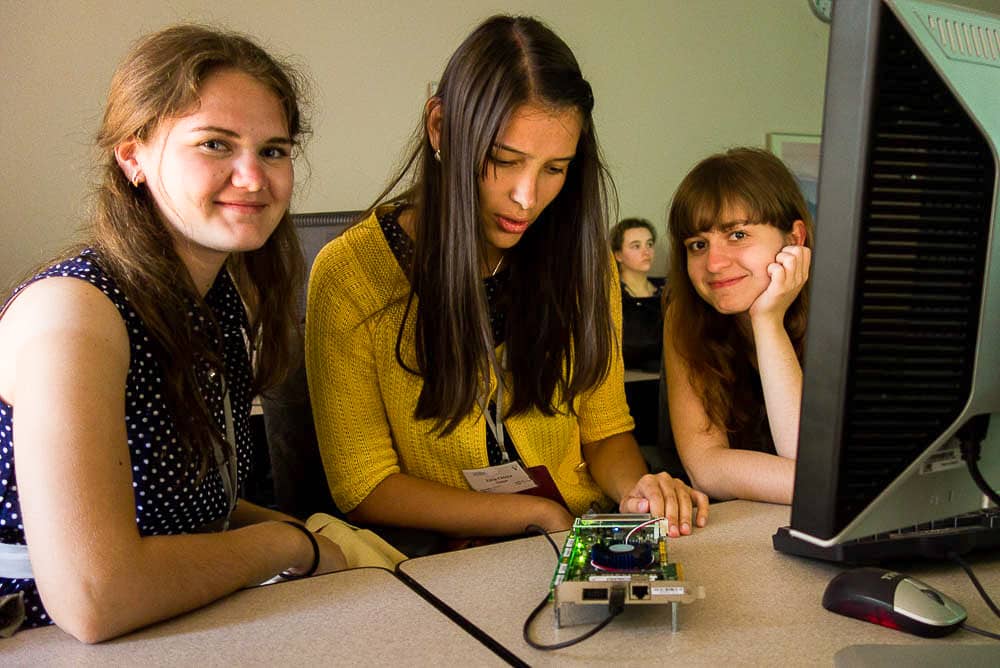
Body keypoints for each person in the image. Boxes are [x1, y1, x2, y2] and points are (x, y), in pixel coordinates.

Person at [0, 25, 347, 642]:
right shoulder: (72, 313)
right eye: (216, 144)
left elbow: (189, 507)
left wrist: (311, 537)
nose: (253, 177)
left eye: (274, 150)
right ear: (132, 156)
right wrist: (288, 545)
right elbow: (96, 599)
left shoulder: (213, 301)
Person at [306, 15, 708, 548]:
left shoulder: (583, 264)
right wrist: (535, 516)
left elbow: (605, 430)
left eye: (554, 168)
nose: (527, 196)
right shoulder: (350, 273)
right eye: (503, 160)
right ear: (440, 127)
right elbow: (363, 483)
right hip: (441, 558)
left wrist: (641, 491)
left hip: (567, 531)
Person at [663, 147, 813, 504]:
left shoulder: (843, 317)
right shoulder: (684, 317)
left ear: (794, 238)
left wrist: (767, 320)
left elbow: (808, 457)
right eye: (698, 244)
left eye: (738, 235)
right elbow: (707, 466)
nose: (714, 263)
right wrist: (826, 488)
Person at [610, 217, 665, 372]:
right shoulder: (611, 296)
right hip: (629, 382)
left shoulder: (669, 290)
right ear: (618, 255)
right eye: (636, 246)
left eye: (649, 244)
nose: (646, 252)